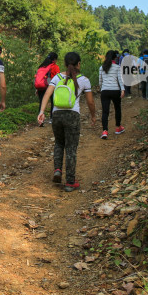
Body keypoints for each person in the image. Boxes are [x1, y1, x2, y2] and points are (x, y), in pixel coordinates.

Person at [37, 52, 96, 192]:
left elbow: (47, 94)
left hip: (56, 115)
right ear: (79, 64)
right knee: (71, 148)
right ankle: (70, 182)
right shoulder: (84, 80)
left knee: (59, 142)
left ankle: (57, 169)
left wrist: (42, 111)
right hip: (72, 116)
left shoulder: (57, 77)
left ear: (64, 63)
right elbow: (90, 102)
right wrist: (93, 115)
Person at [98, 50, 125, 139]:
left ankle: (105, 131)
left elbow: (100, 81)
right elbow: (120, 80)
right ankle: (118, 128)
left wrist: (102, 89)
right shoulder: (117, 67)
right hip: (115, 90)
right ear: (115, 57)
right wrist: (123, 90)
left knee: (105, 111)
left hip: (105, 91)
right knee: (117, 109)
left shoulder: (102, 67)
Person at [34, 52, 59, 122]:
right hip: (50, 86)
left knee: (42, 102)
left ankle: (40, 120)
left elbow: (37, 78)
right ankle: (52, 118)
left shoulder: (41, 67)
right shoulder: (54, 67)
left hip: (40, 87)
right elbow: (58, 78)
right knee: (53, 102)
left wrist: (36, 89)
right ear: (54, 59)